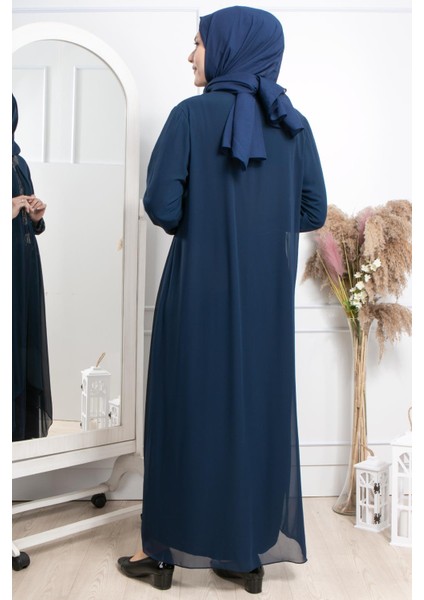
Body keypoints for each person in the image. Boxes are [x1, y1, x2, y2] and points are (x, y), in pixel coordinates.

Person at [118, 6, 327, 593]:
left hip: (197, 293)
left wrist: (211, 219)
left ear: (230, 47)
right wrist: (260, 221)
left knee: (187, 412)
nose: (190, 55)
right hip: (264, 303)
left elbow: (162, 204)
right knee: (252, 413)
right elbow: (312, 209)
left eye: (198, 43)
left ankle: (162, 552)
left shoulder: (190, 116)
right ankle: (243, 554)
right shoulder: (293, 124)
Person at [12, 94, 52, 441]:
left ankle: (19, 439)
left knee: (23, 347)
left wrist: (36, 217)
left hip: (25, 266)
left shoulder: (19, 162)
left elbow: (31, 223)